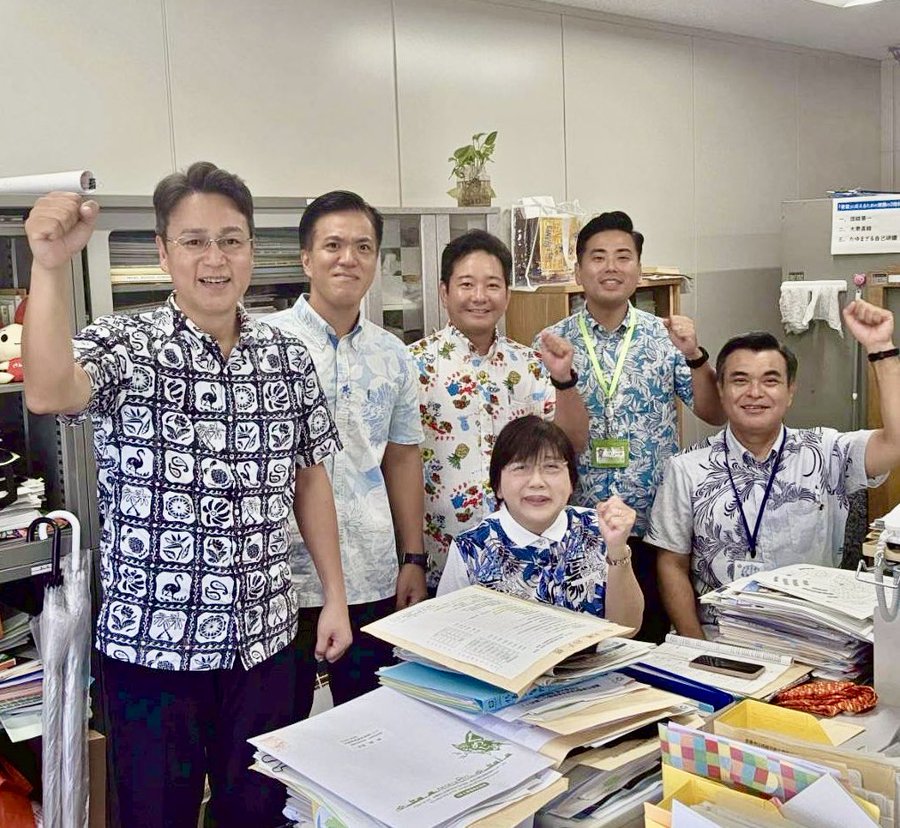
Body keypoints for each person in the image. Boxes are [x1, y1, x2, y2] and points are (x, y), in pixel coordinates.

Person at [22, 162, 352, 828]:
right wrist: (50, 267)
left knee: (258, 813)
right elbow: (48, 390)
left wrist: (335, 597)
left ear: (251, 249)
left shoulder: (287, 356)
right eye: (195, 241)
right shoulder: (124, 344)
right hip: (152, 651)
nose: (215, 259)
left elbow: (310, 477)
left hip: (264, 643)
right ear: (164, 252)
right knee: (157, 816)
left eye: (230, 240)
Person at [266, 190, 427, 716]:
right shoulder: (263, 344)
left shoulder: (393, 354)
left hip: (372, 573)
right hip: (280, 578)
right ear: (306, 259)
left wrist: (412, 558)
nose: (348, 259)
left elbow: (401, 458)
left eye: (363, 247)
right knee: (279, 731)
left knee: (370, 727)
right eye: (332, 245)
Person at [649, 301, 900, 638]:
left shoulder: (825, 451)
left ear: (790, 391)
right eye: (740, 380)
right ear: (721, 390)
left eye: (770, 381)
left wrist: (882, 349)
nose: (755, 393)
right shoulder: (686, 469)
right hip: (722, 639)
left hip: (814, 640)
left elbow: (895, 443)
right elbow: (671, 564)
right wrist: (697, 645)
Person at [540, 211, 725, 642]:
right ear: (578, 271)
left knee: (651, 641)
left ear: (639, 270)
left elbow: (714, 413)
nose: (611, 267)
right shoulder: (551, 342)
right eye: (598, 257)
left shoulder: (665, 338)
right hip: (578, 524)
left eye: (623, 257)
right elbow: (554, 441)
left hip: (655, 524)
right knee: (583, 644)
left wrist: (695, 355)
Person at [409, 229, 588, 591]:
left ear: (507, 294)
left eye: (492, 285)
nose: (479, 296)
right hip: (440, 558)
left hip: (525, 562)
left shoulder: (531, 364)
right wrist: (410, 559)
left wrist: (563, 380)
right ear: (444, 292)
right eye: (466, 284)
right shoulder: (411, 365)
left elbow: (572, 443)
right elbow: (398, 466)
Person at [438, 415, 644, 630]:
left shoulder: (597, 527)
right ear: (497, 485)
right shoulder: (470, 547)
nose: (537, 482)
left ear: (571, 482)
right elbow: (445, 632)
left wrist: (617, 549)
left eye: (551, 467)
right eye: (520, 468)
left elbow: (626, 628)